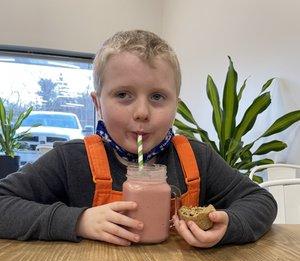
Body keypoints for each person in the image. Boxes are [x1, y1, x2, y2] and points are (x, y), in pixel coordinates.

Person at [0, 30, 277, 248]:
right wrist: (78, 220)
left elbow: (261, 201)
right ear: (97, 103)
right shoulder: (71, 160)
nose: (142, 112)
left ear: (175, 106)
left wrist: (228, 225)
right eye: (123, 95)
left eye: (157, 97)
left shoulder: (195, 158)